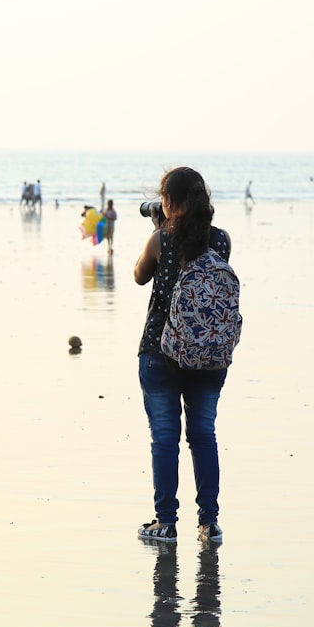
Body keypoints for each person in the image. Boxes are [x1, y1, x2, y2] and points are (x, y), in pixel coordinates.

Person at [133, 167, 232, 545]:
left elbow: (140, 276)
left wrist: (156, 232)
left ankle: (166, 522)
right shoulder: (222, 241)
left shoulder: (161, 240)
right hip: (209, 355)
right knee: (203, 435)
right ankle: (209, 524)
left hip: (161, 352)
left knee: (165, 438)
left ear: (168, 203)